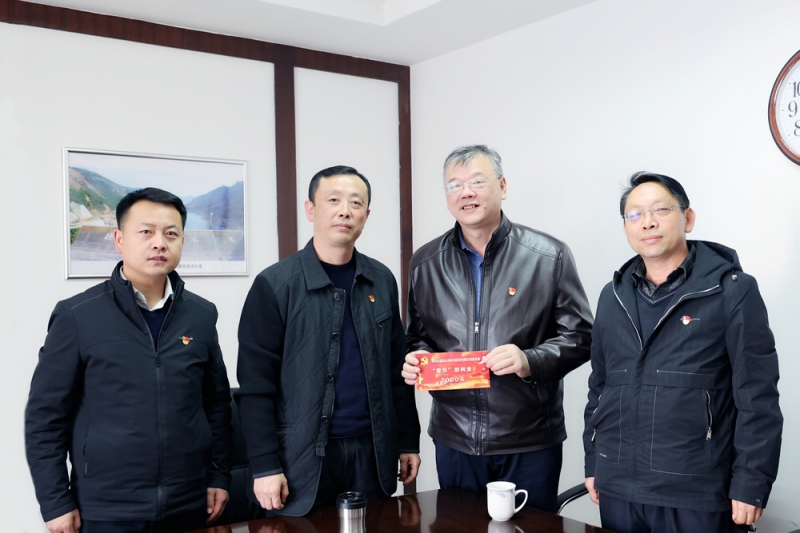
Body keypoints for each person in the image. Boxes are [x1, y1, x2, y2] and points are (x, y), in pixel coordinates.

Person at [583, 172, 782, 533]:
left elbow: (758, 396)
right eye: (634, 214)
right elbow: (600, 387)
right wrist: (595, 461)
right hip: (619, 489)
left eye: (661, 210)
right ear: (626, 227)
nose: (648, 222)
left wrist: (752, 482)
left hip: (696, 492)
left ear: (687, 218)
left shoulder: (731, 291)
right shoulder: (612, 296)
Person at [25, 188, 233, 533]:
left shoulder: (201, 315)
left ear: (182, 240)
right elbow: (45, 417)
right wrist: (55, 502)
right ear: (119, 240)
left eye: (171, 234)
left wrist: (219, 476)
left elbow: (216, 405)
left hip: (189, 502)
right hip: (107, 508)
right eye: (146, 232)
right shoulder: (77, 315)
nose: (159, 243)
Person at [402, 145, 593, 513]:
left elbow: (582, 336)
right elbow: (417, 335)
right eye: (454, 185)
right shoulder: (425, 262)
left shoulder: (548, 255)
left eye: (477, 182)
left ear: (502, 186)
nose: (466, 193)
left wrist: (530, 360)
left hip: (529, 439)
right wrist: (418, 357)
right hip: (455, 437)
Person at [236, 165, 421, 516]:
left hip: (371, 452)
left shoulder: (381, 280)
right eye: (333, 200)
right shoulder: (275, 285)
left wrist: (408, 440)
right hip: (299, 458)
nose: (344, 211)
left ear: (366, 215)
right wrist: (264, 465)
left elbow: (397, 370)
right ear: (311, 209)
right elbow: (256, 387)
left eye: (356, 203)